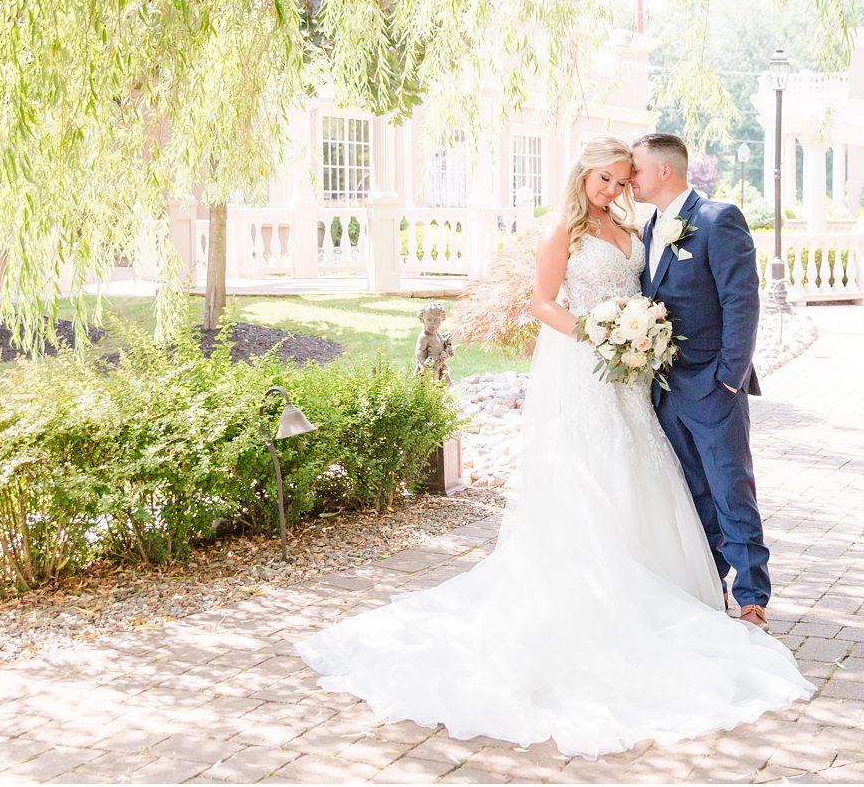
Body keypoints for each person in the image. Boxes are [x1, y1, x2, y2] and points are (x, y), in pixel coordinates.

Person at [296, 134, 811, 760]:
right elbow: (543, 303)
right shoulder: (562, 231)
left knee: (689, 481)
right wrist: (598, 334)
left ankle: (724, 592)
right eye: (610, 179)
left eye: (627, 179)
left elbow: (703, 298)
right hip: (596, 371)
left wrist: (680, 357)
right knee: (607, 480)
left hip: (645, 379)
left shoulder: (647, 227)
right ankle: (623, 600)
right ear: (584, 174)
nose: (619, 189)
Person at [630, 133, 771, 631]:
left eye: (637, 169)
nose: (631, 177)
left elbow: (742, 302)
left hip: (713, 387)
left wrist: (728, 380)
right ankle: (712, 588)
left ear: (665, 171)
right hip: (665, 389)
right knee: (694, 496)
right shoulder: (649, 228)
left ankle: (753, 597)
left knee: (732, 491)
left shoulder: (718, 219)